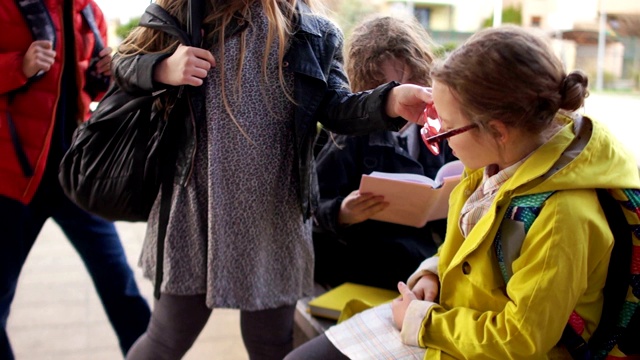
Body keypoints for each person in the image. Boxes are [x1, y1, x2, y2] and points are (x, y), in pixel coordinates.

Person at [284, 25, 640, 359]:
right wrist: (434, 273)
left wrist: (423, 321)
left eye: (446, 129)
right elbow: (468, 247)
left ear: (498, 130)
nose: (438, 140)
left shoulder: (561, 218)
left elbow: (522, 339)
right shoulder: (492, 164)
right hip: (456, 320)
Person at [111, 0, 435, 359]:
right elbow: (122, 64)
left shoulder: (315, 32)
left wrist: (389, 102)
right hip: (197, 206)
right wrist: (162, 68)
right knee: (167, 338)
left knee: (271, 345)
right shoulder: (187, 10)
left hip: (274, 215)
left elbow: (338, 110)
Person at [0, 0, 151, 358]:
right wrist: (17, 66)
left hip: (75, 177)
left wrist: (105, 75)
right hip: (12, 180)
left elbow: (86, 92)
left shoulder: (88, 12)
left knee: (119, 282)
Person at [313, 15, 458, 291]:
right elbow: (312, 205)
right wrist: (342, 213)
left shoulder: (440, 129)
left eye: (411, 83)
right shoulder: (349, 135)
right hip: (362, 260)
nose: (403, 99)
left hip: (422, 257)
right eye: (388, 90)